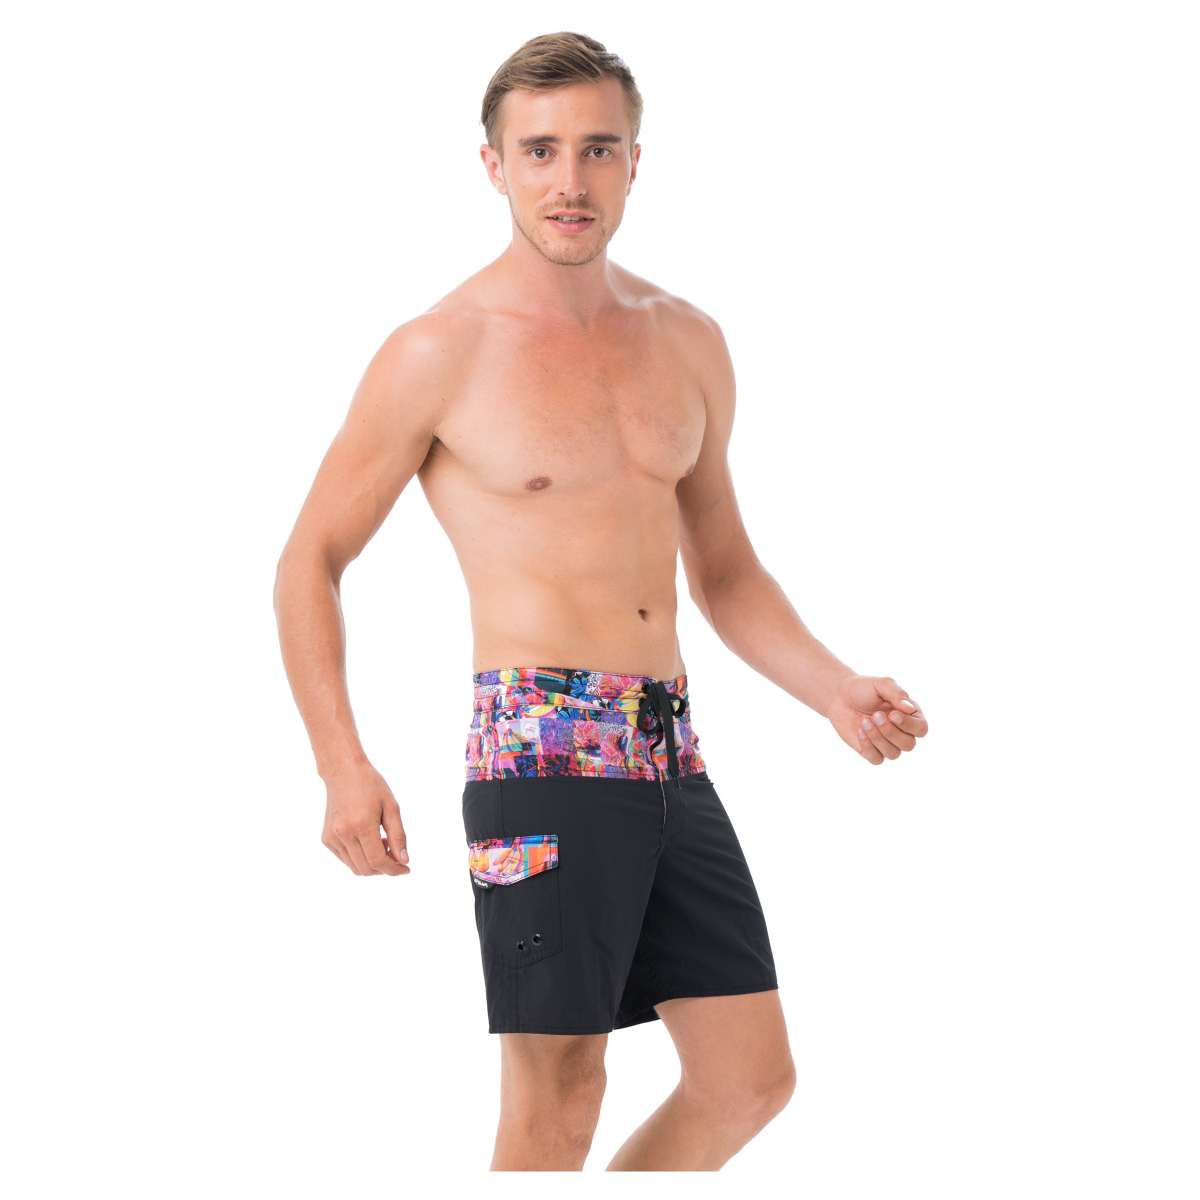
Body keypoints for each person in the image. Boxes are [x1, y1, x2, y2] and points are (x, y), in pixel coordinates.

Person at [273, 31, 928, 1172]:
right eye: (539, 151)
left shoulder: (688, 341)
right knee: (558, 1098)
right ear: (493, 166)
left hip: (668, 749)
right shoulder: (438, 351)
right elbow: (309, 559)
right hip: (540, 743)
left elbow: (725, 571)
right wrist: (341, 763)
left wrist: (833, 688)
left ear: (635, 162)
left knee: (748, 1079)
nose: (569, 179)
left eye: (597, 148)